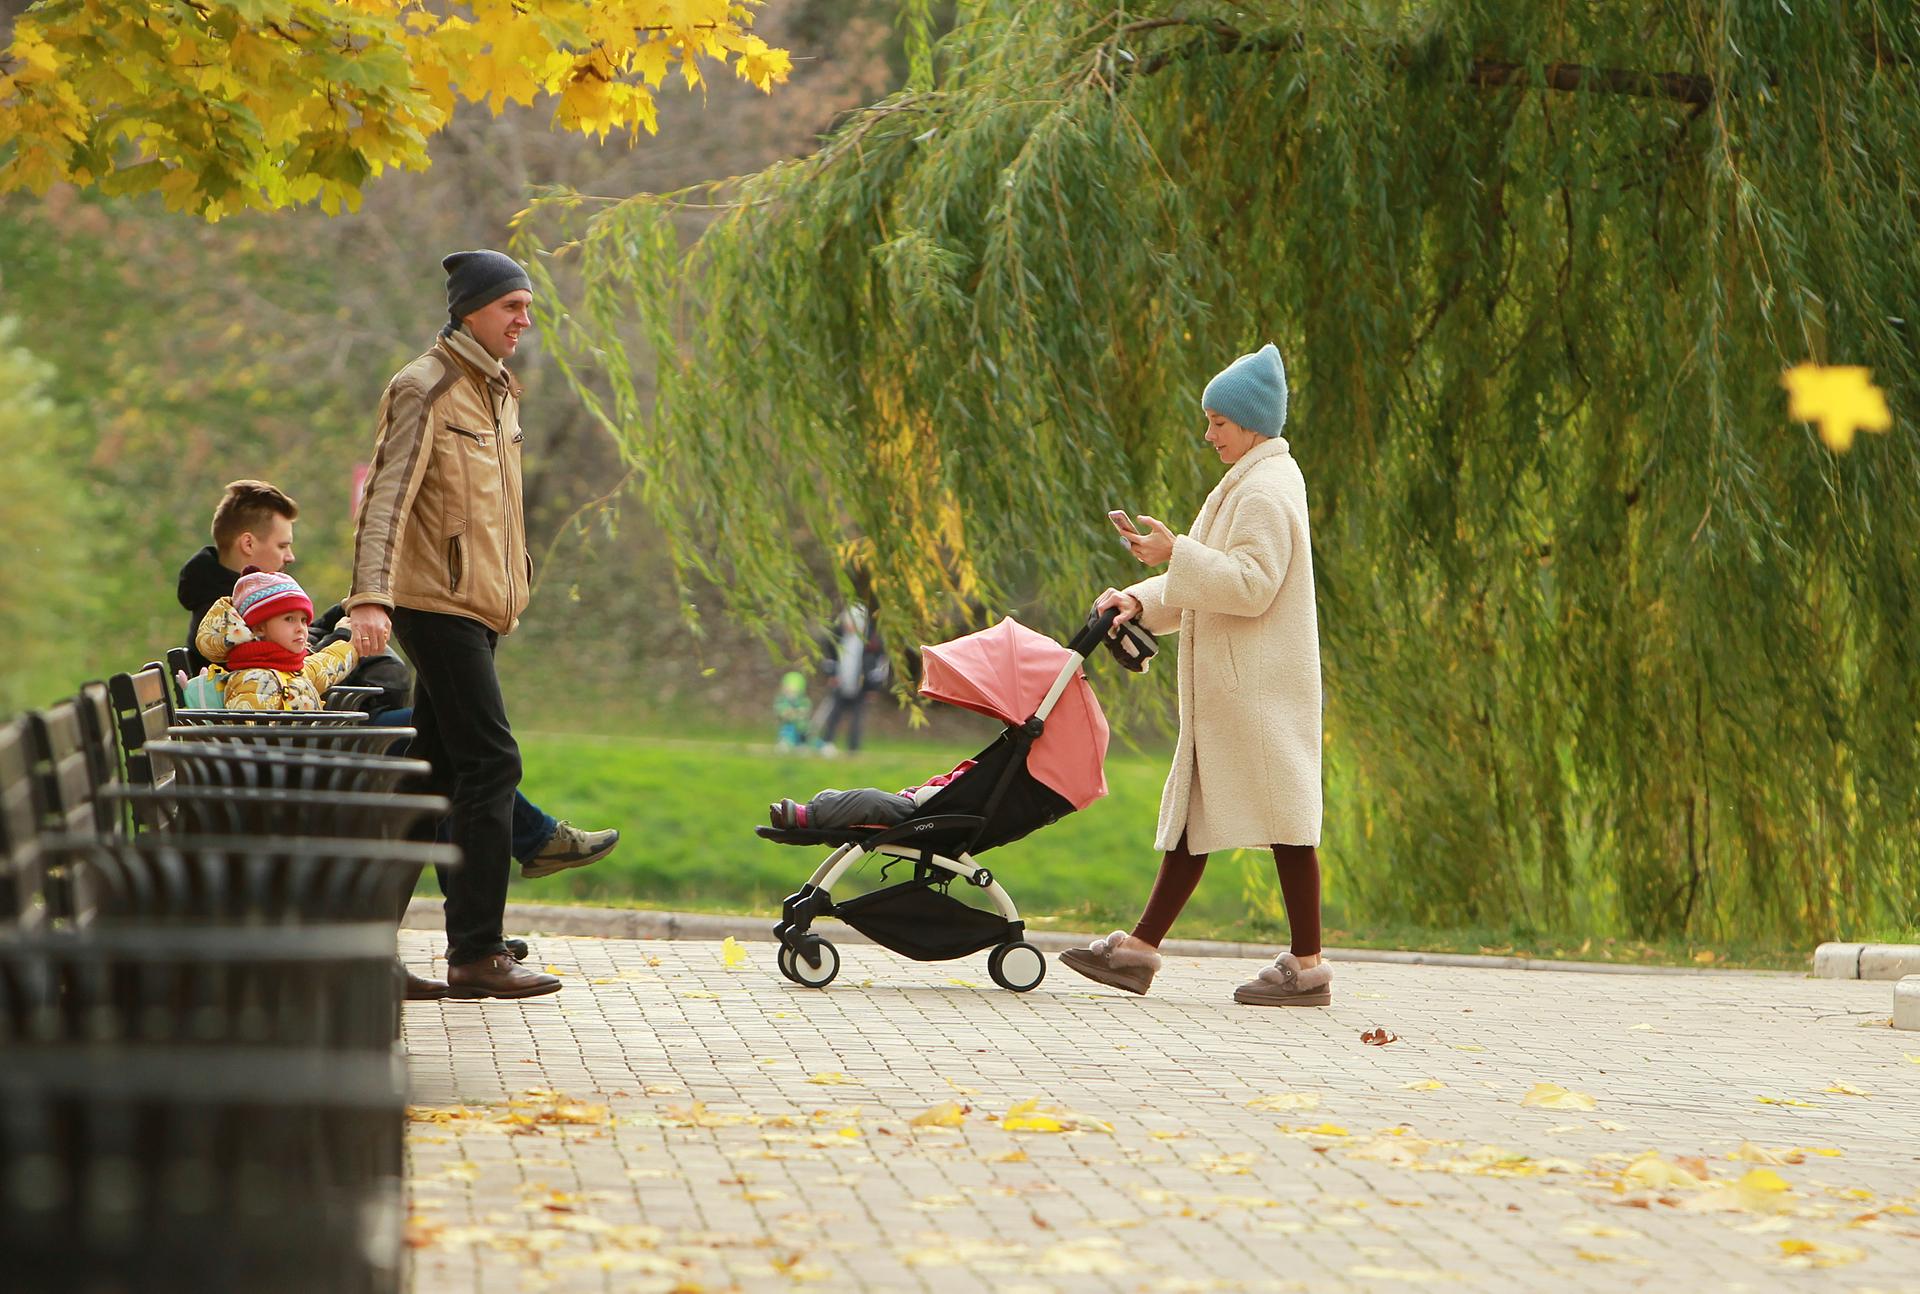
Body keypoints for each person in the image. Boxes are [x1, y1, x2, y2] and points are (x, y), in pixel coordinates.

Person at [1059, 343, 1331, 1007]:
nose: (1207, 434)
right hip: (1239, 692)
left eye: (1217, 422)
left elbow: (1249, 584)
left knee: (1287, 823)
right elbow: (1210, 580)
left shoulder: (1264, 493)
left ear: (1252, 423)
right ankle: (1143, 949)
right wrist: (1140, 598)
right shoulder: (1252, 482)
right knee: (1205, 818)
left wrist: (1177, 551)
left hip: (1255, 691)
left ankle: (1307, 964)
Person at [176, 480, 620, 879]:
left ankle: (492, 903)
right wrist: (343, 637)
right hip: (312, 748)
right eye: (283, 545)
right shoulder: (224, 615)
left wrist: (342, 617)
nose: (290, 556)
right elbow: (278, 678)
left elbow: (292, 654)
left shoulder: (246, 599)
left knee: (444, 744)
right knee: (446, 735)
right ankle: (519, 864)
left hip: (317, 736)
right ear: (249, 543)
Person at [343, 248, 557, 1000]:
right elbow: (386, 500)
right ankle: (476, 952)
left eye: (527, 308)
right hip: (432, 605)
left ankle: (367, 951)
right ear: (471, 309)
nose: (523, 321)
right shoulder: (424, 386)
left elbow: (501, 510)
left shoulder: (498, 394)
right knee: (492, 763)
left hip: (478, 608)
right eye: (511, 307)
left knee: (431, 774)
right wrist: (369, 596)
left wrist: (514, 583)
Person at [193, 569, 359, 710]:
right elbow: (248, 739)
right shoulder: (253, 680)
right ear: (259, 628)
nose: (301, 627)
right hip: (284, 749)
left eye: (303, 620)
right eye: (289, 619)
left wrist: (354, 645)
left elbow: (326, 665)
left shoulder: (294, 670)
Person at [767, 757, 976, 831]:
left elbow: (931, 798)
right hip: (921, 810)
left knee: (869, 800)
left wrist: (920, 792)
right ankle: (811, 811)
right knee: (838, 796)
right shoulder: (979, 776)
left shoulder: (973, 785)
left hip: (923, 815)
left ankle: (806, 817)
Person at [814, 606, 887, 754]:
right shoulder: (838, 636)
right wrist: (832, 674)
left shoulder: (872, 642)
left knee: (857, 719)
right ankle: (827, 742)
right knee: (833, 714)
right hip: (841, 683)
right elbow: (830, 658)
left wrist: (873, 688)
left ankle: (853, 748)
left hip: (861, 686)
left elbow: (879, 667)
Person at [773, 670, 811, 750]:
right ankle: (785, 743)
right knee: (787, 729)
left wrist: (798, 713)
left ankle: (802, 744)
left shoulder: (803, 701)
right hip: (788, 725)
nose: (790, 693)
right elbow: (781, 711)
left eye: (793, 691)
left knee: (805, 732)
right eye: (787, 690)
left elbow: (804, 711)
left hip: (801, 728)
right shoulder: (782, 700)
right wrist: (787, 713)